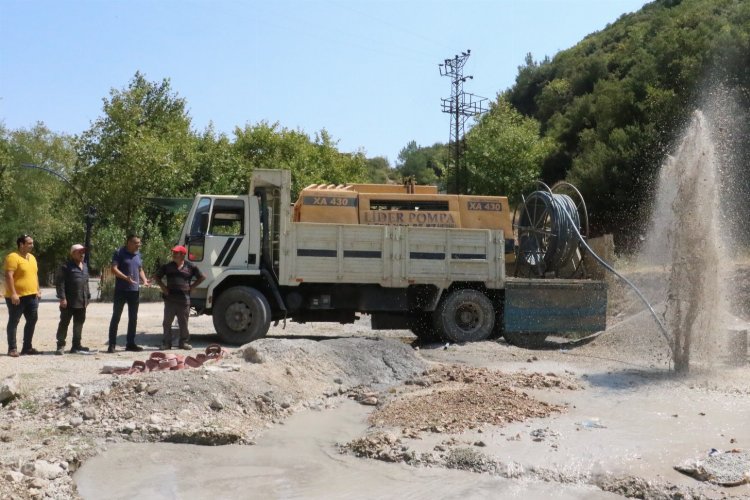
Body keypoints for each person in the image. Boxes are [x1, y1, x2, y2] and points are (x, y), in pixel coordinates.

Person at [153, 245, 205, 350]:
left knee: (184, 323)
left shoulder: (191, 266)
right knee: (167, 322)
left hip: (184, 300)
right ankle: (167, 343)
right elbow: (156, 276)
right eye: (173, 253)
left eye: (176, 253)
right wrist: (163, 287)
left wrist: (192, 287)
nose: (174, 255)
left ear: (183, 255)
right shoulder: (167, 266)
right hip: (170, 300)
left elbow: (202, 277)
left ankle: (184, 343)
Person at [107, 234, 149, 353]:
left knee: (133, 318)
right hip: (121, 290)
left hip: (134, 291)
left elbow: (140, 269)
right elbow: (113, 269)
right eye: (136, 243)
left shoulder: (138, 254)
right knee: (116, 317)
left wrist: (144, 280)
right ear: (129, 243)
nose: (139, 245)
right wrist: (126, 278)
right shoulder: (119, 252)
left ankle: (130, 343)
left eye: (139, 243)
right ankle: (112, 344)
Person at [4, 234, 42, 357]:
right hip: (17, 297)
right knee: (14, 321)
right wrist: (14, 294)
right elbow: (8, 276)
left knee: (32, 320)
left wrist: (38, 290)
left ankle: (27, 347)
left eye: (32, 243)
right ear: (21, 244)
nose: (32, 245)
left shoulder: (32, 258)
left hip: (32, 296)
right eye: (29, 243)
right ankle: (12, 348)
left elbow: (34, 275)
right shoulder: (13, 257)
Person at [54, 244, 91, 355]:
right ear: (73, 253)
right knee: (64, 323)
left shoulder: (84, 266)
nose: (82, 254)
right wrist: (62, 298)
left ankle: (76, 346)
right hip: (68, 302)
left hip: (82, 301)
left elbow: (86, 283)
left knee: (79, 324)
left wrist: (88, 297)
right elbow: (60, 283)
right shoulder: (65, 266)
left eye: (83, 252)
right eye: (79, 252)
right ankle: (60, 346)